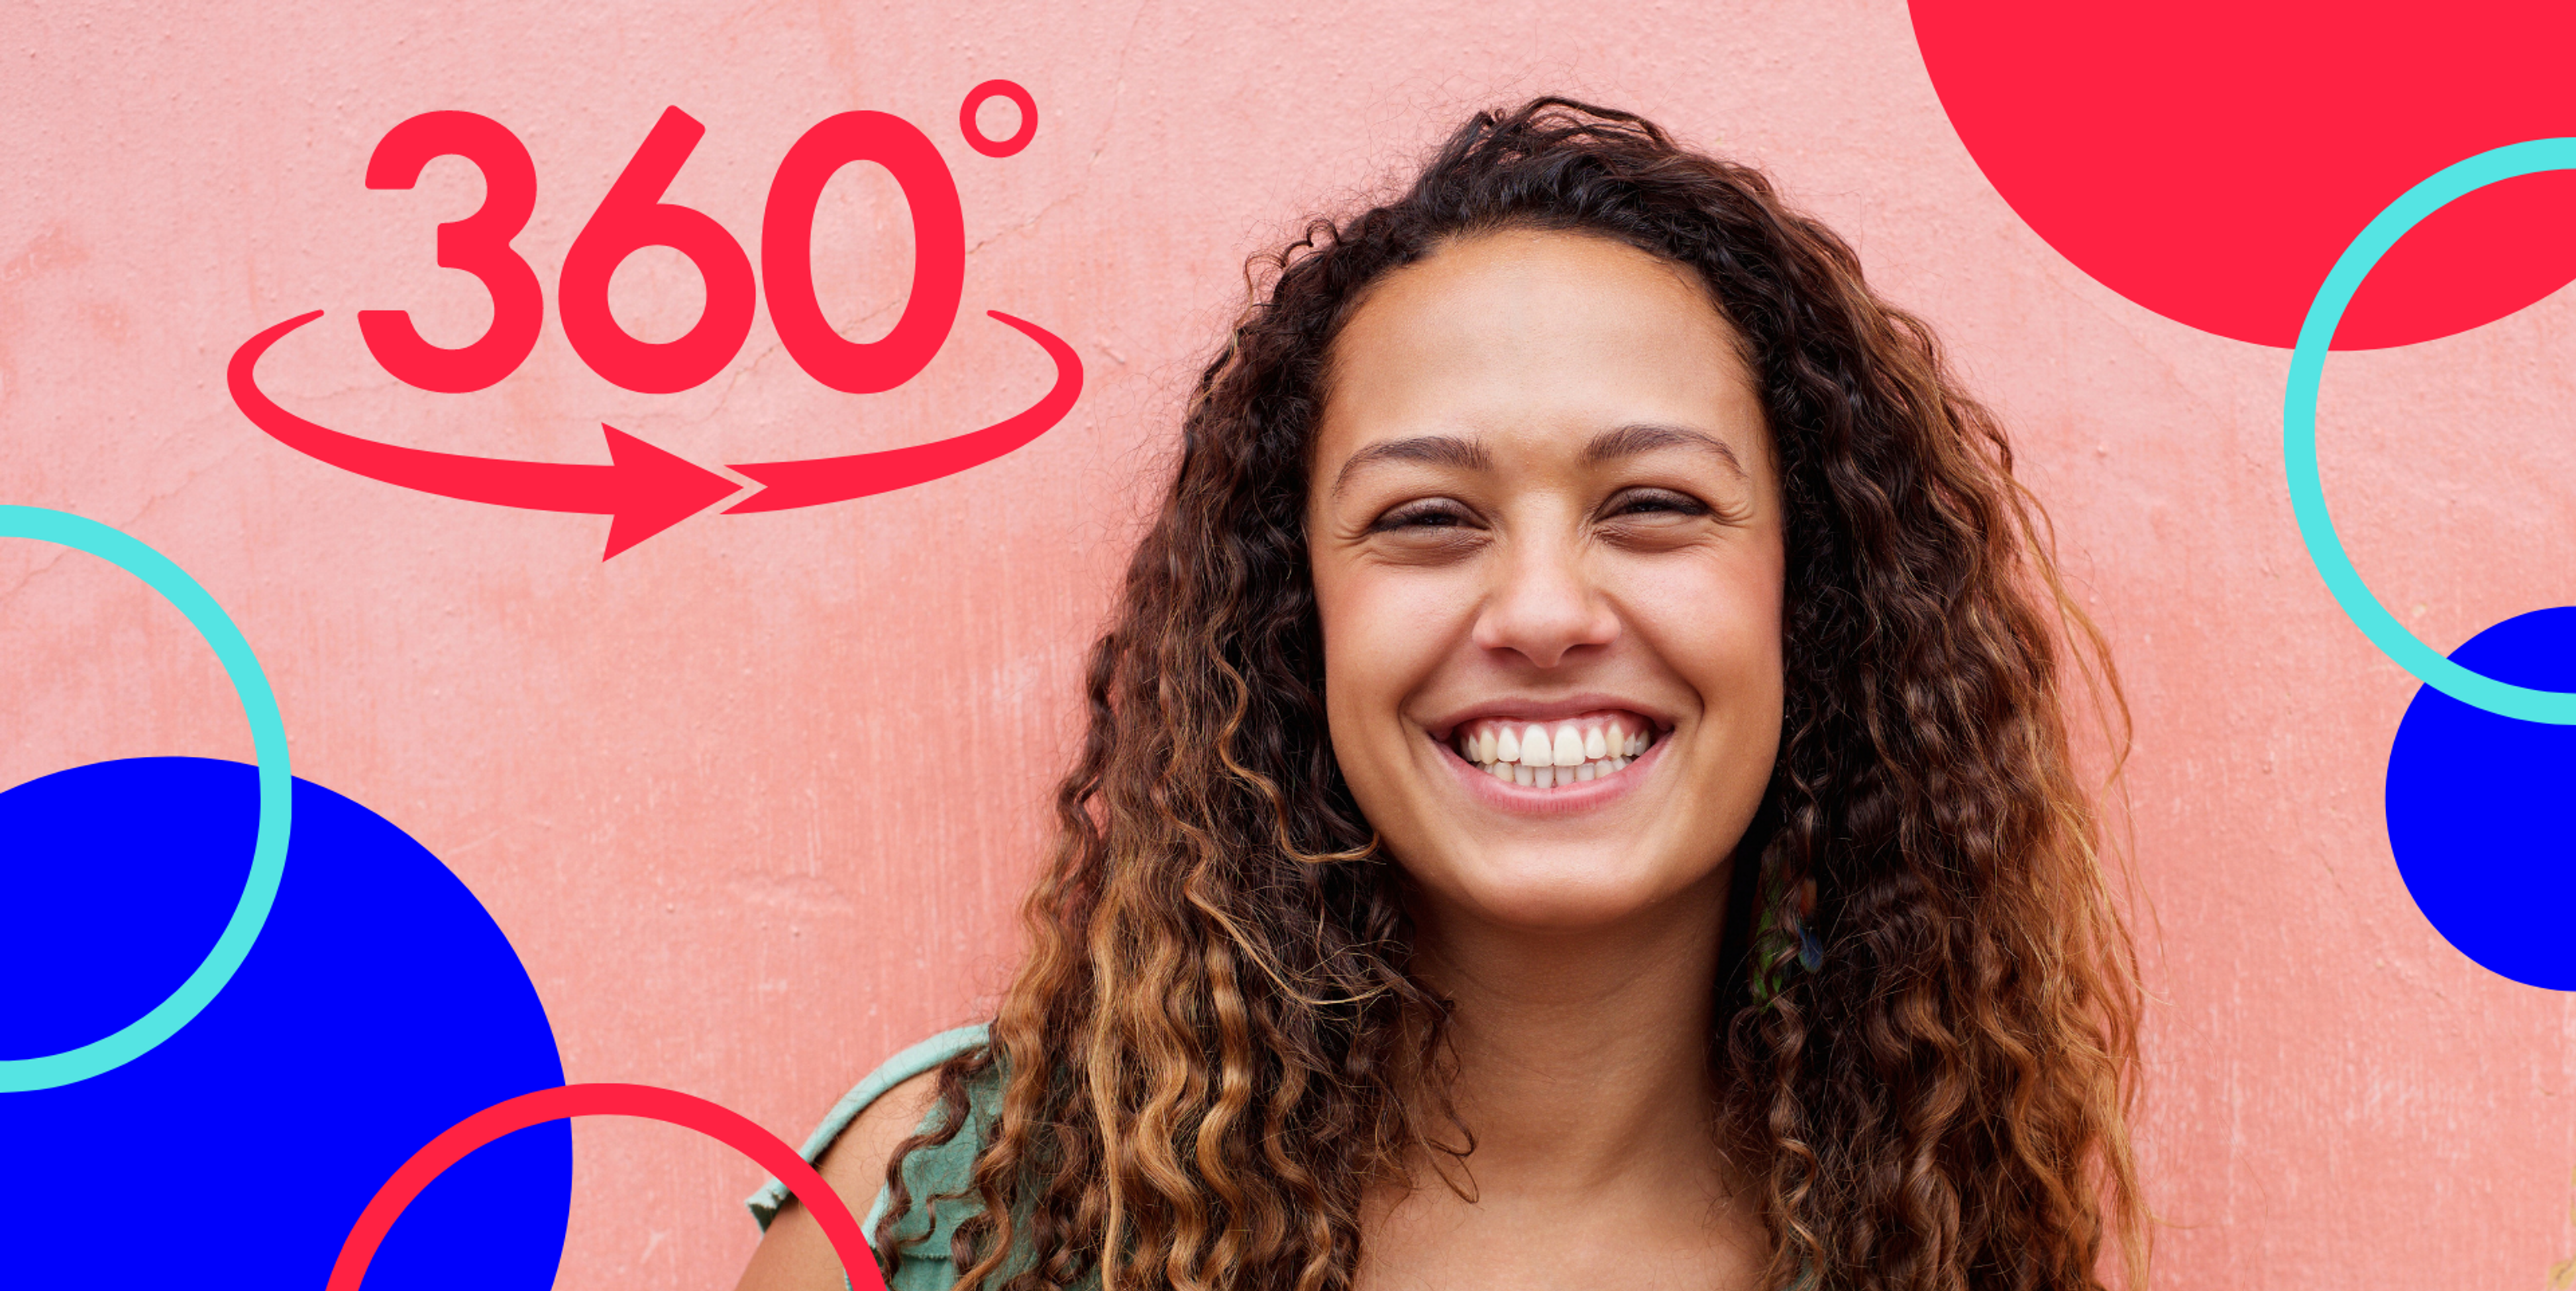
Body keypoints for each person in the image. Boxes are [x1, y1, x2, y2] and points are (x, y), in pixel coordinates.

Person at [736, 97, 2147, 1291]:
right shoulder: (940, 1212)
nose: (1542, 611)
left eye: (1654, 503)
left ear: (1810, 603)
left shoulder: (1943, 1242)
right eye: (1426, 518)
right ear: (1299, 624)